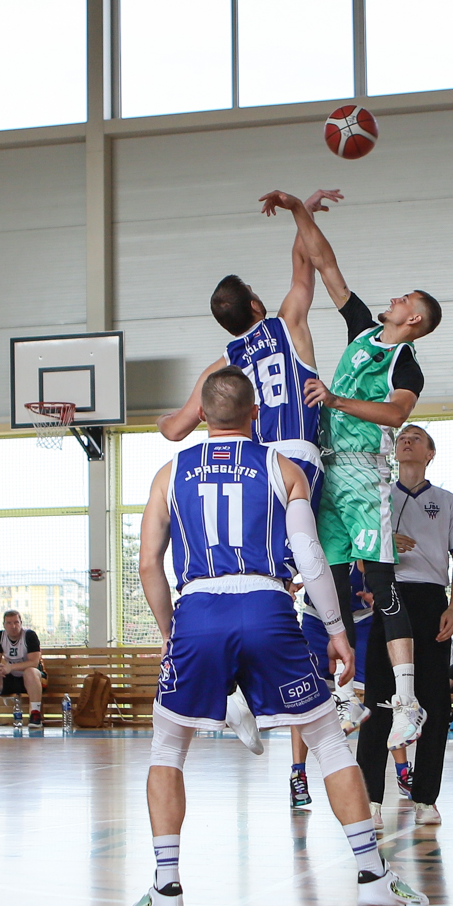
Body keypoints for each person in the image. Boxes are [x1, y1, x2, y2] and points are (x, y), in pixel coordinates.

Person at [131, 368, 427, 906]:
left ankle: (167, 889)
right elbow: (311, 560)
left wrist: (173, 633)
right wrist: (337, 630)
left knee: (168, 750)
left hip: (198, 610)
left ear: (201, 415)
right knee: (328, 742)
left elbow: (148, 563)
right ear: (256, 416)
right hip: (268, 609)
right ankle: (371, 877)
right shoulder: (280, 466)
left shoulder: (168, 473)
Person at [158, 188, 337, 755]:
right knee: (312, 566)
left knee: (256, 578)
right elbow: (306, 261)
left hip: (249, 470)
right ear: (259, 305)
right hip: (295, 464)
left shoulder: (224, 368)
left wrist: (166, 414)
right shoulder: (289, 323)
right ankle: (342, 679)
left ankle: (235, 689)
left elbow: (175, 430)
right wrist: (296, 210)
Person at [280, 188, 441, 751]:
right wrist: (300, 210)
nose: (392, 299)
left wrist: (336, 401)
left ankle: (407, 702)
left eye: (403, 299)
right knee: (331, 581)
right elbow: (326, 264)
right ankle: (351, 694)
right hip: (329, 467)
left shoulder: (407, 363)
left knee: (380, 582)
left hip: (365, 471)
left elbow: (396, 413)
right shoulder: (363, 332)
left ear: (414, 317)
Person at [356, 423, 453, 827]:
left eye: (416, 437)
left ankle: (425, 797)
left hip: (431, 601)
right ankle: (370, 800)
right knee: (379, 702)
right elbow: (360, 559)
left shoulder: (449, 502)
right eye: (402, 437)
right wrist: (385, 544)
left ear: (430, 453)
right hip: (390, 598)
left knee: (435, 705)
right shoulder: (377, 499)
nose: (407, 440)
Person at [290, 565, 373, 810]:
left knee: (371, 696)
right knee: (305, 696)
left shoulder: (365, 529)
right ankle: (298, 773)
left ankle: (400, 770)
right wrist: (287, 582)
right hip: (318, 618)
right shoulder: (316, 529)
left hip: (360, 618)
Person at [0, 610, 45, 726]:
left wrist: (11, 667)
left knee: (30, 672)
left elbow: (34, 662)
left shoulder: (29, 635)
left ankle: (35, 714)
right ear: (4, 625)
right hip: (10, 679)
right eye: (9, 623)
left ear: (21, 623)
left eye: (16, 622)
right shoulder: (0, 636)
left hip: (32, 681)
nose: (13, 626)